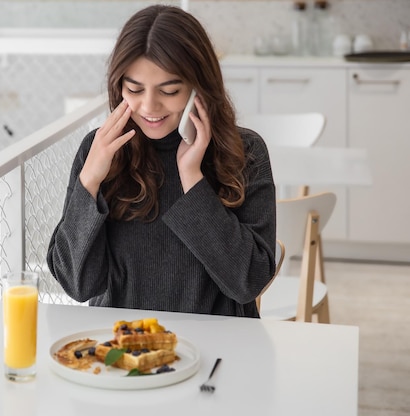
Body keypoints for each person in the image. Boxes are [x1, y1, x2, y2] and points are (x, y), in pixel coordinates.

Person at [47, 5, 276, 318]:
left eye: (169, 90)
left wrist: (192, 177)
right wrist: (90, 182)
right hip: (123, 349)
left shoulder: (245, 152)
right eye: (134, 89)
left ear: (200, 88)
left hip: (217, 350)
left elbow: (248, 282)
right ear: (118, 86)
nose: (149, 106)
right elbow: (78, 284)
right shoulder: (101, 152)